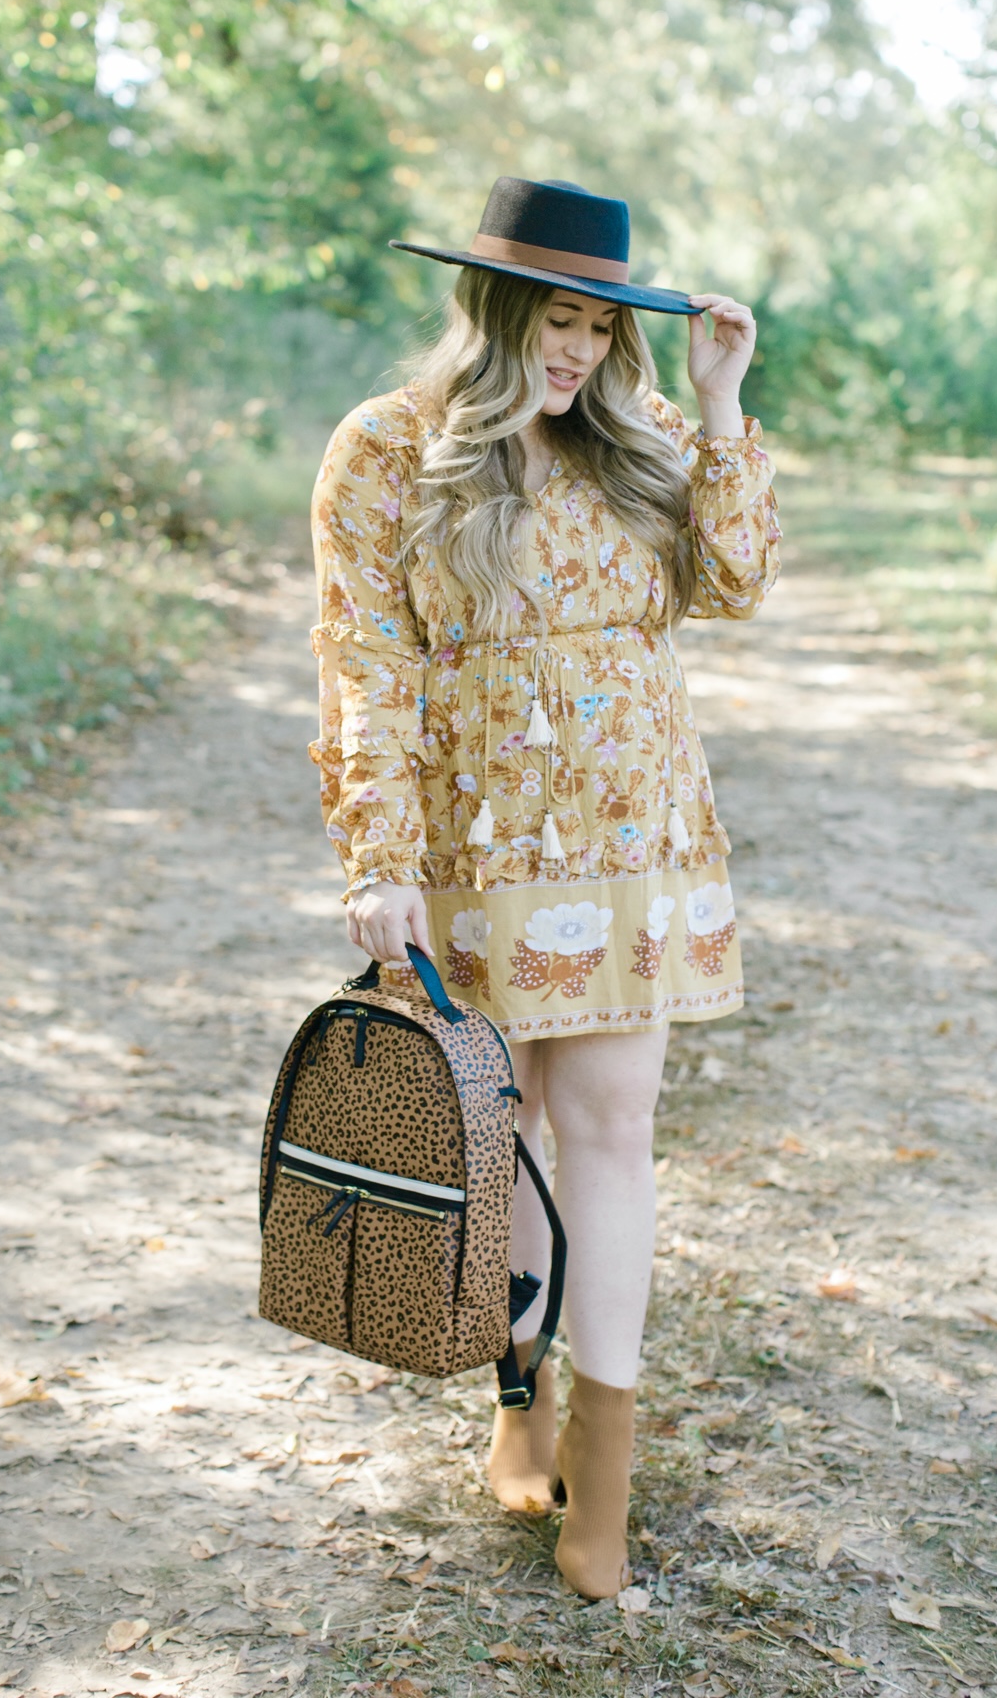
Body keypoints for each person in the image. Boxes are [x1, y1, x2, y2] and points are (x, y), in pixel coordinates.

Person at [309, 177, 779, 1598]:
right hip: (477, 847)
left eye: (597, 326)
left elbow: (739, 580)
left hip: (636, 841)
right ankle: (519, 1399)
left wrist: (715, 399)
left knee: (614, 1130)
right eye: (555, 320)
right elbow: (364, 665)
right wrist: (377, 855)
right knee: (497, 1124)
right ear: (496, 311)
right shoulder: (388, 449)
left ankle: (606, 1482)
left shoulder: (631, 444)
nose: (575, 351)